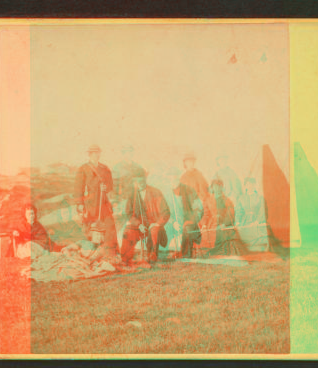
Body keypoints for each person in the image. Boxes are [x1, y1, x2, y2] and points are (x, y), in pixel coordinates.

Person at [74, 144, 119, 257]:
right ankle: (90, 252)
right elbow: (78, 187)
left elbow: (110, 185)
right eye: (94, 153)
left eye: (98, 152)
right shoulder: (83, 168)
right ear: (89, 154)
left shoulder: (105, 168)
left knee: (109, 226)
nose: (96, 155)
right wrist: (80, 204)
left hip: (104, 202)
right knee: (91, 228)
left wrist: (106, 188)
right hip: (91, 203)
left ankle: (111, 252)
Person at [121, 168, 170, 266]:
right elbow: (129, 214)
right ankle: (126, 258)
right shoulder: (132, 195)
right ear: (134, 181)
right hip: (140, 227)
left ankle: (152, 255)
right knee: (128, 231)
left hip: (154, 228)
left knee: (154, 230)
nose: (140, 182)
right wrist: (138, 225)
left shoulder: (156, 192)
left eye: (142, 179)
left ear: (146, 178)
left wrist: (157, 224)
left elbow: (166, 212)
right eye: (137, 180)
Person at [236, 177, 288, 258]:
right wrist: (238, 222)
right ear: (245, 186)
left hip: (257, 221)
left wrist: (257, 221)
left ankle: (260, 247)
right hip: (245, 221)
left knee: (263, 232)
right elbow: (239, 211)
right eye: (248, 184)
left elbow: (262, 212)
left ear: (254, 185)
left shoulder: (259, 198)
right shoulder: (241, 198)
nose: (250, 186)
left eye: (252, 184)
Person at [166, 166, 204, 258]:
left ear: (179, 177)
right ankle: (165, 253)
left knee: (187, 229)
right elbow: (164, 212)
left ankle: (185, 254)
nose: (173, 179)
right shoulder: (167, 193)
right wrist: (172, 222)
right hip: (173, 223)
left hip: (189, 223)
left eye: (175, 176)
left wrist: (189, 221)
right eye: (171, 177)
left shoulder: (189, 190)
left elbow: (199, 209)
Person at [206, 180, 249, 257]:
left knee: (229, 235)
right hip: (212, 224)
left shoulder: (227, 200)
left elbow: (230, 213)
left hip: (224, 224)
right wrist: (205, 224)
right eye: (215, 186)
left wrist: (224, 224)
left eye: (219, 187)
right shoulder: (208, 201)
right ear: (212, 188)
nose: (217, 189)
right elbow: (206, 214)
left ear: (222, 188)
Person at [179, 151, 212, 248]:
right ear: (185, 163)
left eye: (192, 162)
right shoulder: (183, 177)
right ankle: (187, 247)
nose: (190, 164)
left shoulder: (199, 175)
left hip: (198, 205)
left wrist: (199, 202)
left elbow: (204, 191)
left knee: (193, 221)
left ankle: (197, 240)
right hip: (186, 206)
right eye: (188, 162)